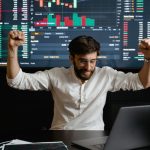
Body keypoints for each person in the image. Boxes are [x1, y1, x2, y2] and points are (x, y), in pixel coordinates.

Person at [6, 30, 150, 130]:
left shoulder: (106, 75)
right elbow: (16, 81)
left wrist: (148, 57)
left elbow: (142, 82)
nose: (88, 67)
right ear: (71, 58)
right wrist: (12, 49)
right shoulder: (56, 75)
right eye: (82, 61)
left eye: (92, 61)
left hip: (95, 139)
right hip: (60, 135)